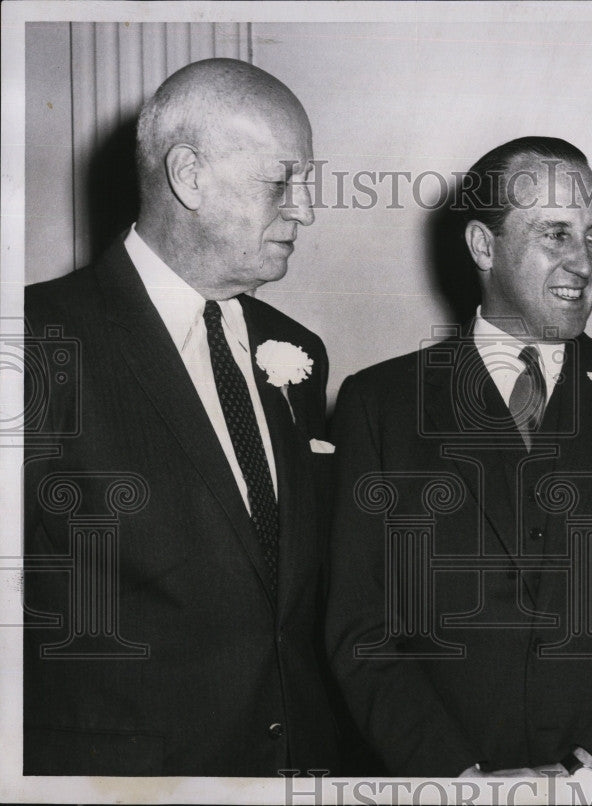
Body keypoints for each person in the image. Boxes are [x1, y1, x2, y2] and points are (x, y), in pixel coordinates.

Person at [327, 136, 592, 777]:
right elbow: (359, 627)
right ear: (484, 246)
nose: (583, 263)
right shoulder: (380, 404)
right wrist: (460, 777)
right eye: (556, 235)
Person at [23, 58, 340, 776]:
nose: (307, 210)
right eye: (282, 181)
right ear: (190, 176)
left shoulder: (298, 354)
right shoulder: (38, 341)